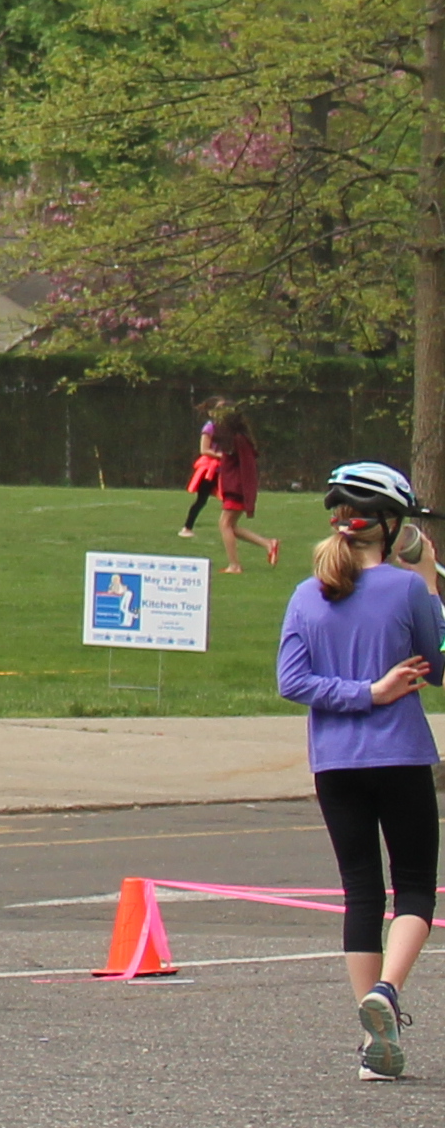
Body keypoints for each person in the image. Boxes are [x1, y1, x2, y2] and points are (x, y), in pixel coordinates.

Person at [277, 463, 441, 1081]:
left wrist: (358, 692)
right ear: (390, 525)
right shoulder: (405, 590)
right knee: (416, 885)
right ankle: (389, 994)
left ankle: (373, 1041)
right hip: (398, 754)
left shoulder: (304, 593)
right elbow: (442, 659)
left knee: (361, 892)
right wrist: (428, 575)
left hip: (335, 764)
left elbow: (292, 682)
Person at [183, 404, 284, 569]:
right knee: (231, 526)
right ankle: (268, 544)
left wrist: (245, 491)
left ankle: (234, 565)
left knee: (224, 525)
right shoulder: (235, 439)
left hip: (236, 488)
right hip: (234, 487)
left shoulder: (238, 440)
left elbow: (246, 467)